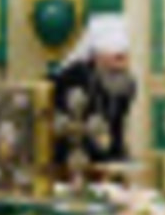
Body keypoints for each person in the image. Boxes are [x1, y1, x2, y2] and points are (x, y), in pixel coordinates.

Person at [52, 13, 137, 165]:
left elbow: (117, 125)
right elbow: (68, 127)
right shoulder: (75, 76)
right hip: (73, 158)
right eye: (117, 57)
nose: (122, 63)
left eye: (124, 56)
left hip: (106, 157)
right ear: (97, 55)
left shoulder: (126, 83)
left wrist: (119, 156)